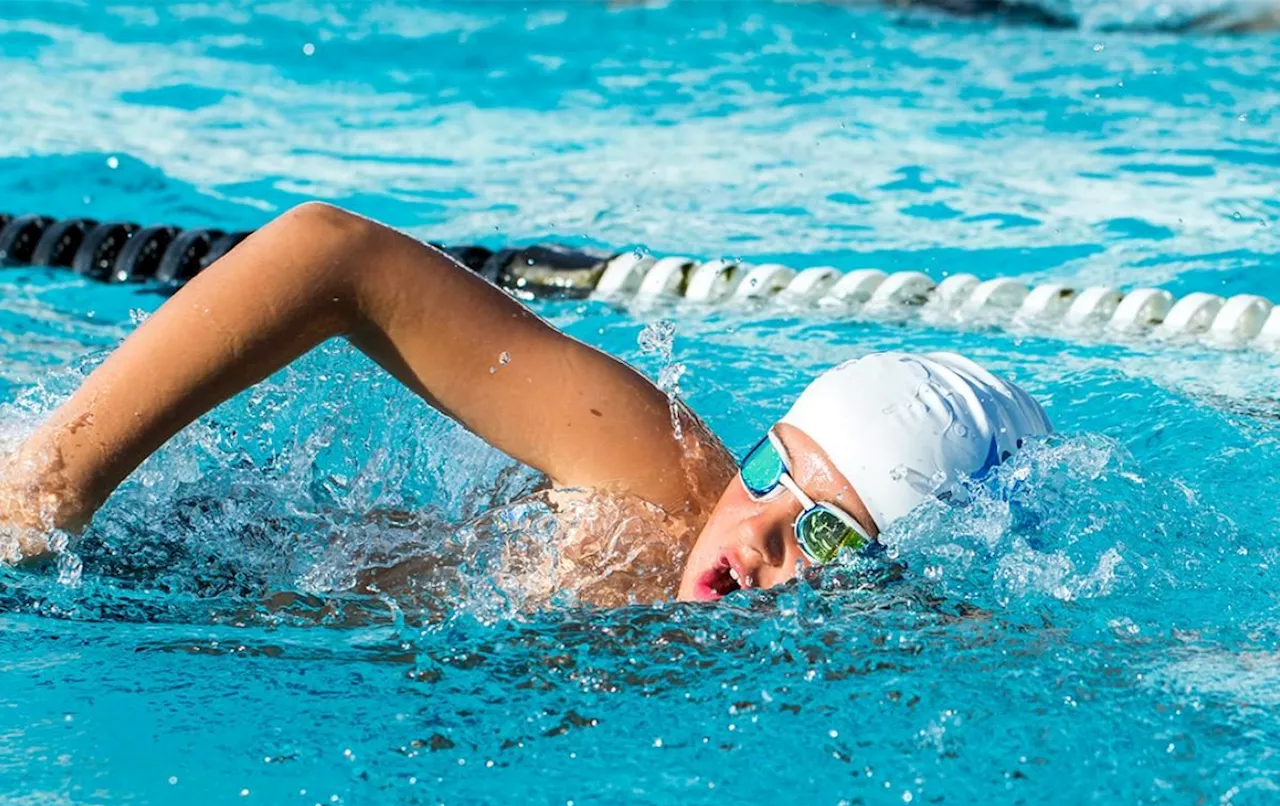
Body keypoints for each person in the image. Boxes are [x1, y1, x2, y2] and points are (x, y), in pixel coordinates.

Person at [0, 203, 1052, 605]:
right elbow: (336, 254)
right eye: (769, 470)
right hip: (161, 567)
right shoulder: (658, 478)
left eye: (819, 531)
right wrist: (48, 486)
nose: (754, 530)